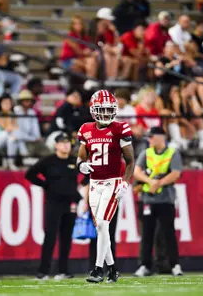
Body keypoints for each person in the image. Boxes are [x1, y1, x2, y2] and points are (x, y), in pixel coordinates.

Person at [77, 89, 135, 283]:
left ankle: (97, 270)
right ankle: (112, 269)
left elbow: (130, 161)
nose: (106, 114)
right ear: (93, 110)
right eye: (102, 109)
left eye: (109, 110)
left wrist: (125, 183)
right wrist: (81, 165)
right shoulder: (85, 129)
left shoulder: (120, 129)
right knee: (101, 228)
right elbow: (81, 155)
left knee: (102, 224)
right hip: (94, 183)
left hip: (113, 182)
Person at [25, 132, 81, 280]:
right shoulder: (48, 161)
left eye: (68, 142)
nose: (66, 145)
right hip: (53, 203)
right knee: (50, 236)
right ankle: (43, 271)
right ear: (56, 145)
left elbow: (88, 174)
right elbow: (30, 174)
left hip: (70, 204)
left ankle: (63, 270)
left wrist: (78, 192)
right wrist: (45, 185)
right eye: (62, 142)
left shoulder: (75, 161)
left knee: (66, 238)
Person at [133, 127, 183, 277]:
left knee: (168, 233)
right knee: (147, 234)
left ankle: (174, 264)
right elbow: (136, 171)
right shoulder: (146, 153)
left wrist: (158, 183)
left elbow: (176, 173)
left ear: (161, 137)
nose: (149, 139)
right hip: (148, 198)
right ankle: (144, 265)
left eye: (152, 136)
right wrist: (150, 181)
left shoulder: (172, 153)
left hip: (166, 198)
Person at [0, 93, 27, 171]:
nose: (7, 105)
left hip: (6, 139)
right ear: (0, 103)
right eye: (5, 103)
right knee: (11, 134)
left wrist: (11, 115)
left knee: (11, 139)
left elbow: (17, 128)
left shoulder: (12, 114)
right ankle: (24, 154)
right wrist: (9, 114)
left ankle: (10, 163)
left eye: (9, 103)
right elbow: (7, 128)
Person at [14, 89, 51, 157]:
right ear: (21, 101)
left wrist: (38, 138)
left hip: (31, 139)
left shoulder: (32, 112)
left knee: (47, 151)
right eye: (26, 101)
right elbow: (17, 133)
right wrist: (33, 139)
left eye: (30, 101)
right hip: (20, 141)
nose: (29, 103)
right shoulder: (15, 111)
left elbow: (35, 129)